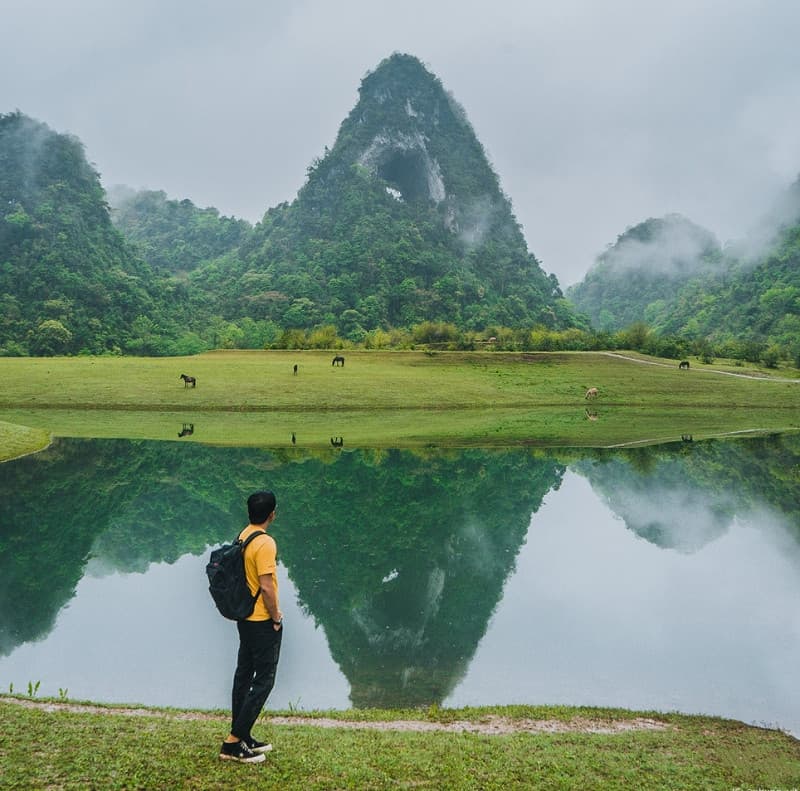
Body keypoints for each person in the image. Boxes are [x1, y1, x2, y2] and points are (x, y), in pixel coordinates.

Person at [219, 490, 283, 764]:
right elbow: (267, 586)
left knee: (244, 675)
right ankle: (233, 743)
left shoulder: (244, 535)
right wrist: (276, 617)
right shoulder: (265, 542)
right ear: (272, 514)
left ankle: (242, 734)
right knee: (264, 679)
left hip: (244, 618)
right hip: (261, 620)